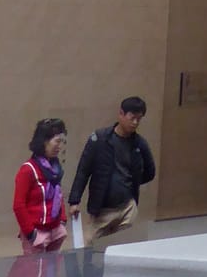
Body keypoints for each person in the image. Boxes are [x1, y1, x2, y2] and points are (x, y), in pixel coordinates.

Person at [67, 96, 156, 245]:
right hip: (101, 209)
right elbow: (83, 170)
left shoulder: (140, 144)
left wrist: (131, 181)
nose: (135, 123)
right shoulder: (99, 139)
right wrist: (74, 201)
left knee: (124, 247)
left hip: (127, 207)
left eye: (139, 119)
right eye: (132, 118)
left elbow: (150, 172)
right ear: (121, 114)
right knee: (90, 245)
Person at [12, 118, 68, 253]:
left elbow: (58, 195)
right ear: (44, 141)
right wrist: (31, 233)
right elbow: (18, 205)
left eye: (61, 142)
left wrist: (62, 220)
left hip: (55, 230)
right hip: (37, 233)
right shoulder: (28, 169)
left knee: (53, 266)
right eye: (57, 141)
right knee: (34, 267)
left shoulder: (55, 168)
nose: (59, 146)